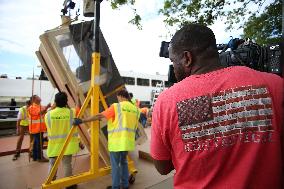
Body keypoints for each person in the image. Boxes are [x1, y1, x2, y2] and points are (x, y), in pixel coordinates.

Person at [150, 24, 284, 189]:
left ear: (187, 58)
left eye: (173, 61)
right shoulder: (275, 85)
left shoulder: (166, 101)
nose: (173, 68)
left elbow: (162, 167)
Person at [73, 89, 140, 189]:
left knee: (115, 166)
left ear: (121, 96)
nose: (118, 100)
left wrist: (83, 120)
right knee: (124, 162)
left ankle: (116, 187)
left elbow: (100, 115)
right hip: (127, 142)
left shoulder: (116, 107)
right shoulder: (135, 110)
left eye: (118, 98)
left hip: (117, 142)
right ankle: (125, 185)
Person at [45, 92, 79, 189]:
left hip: (54, 146)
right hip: (67, 146)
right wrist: (77, 97)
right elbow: (79, 107)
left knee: (52, 165)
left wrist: (53, 106)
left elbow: (50, 115)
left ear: (55, 102)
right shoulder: (71, 112)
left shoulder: (48, 115)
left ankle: (50, 184)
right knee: (67, 164)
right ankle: (69, 185)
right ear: (66, 102)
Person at [28, 95, 51, 162]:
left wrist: (48, 107)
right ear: (34, 99)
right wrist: (47, 107)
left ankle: (35, 156)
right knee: (39, 143)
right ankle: (40, 157)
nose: (39, 97)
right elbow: (40, 113)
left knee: (36, 142)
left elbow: (46, 111)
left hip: (40, 128)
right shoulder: (32, 107)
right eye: (37, 97)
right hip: (36, 128)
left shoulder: (40, 106)